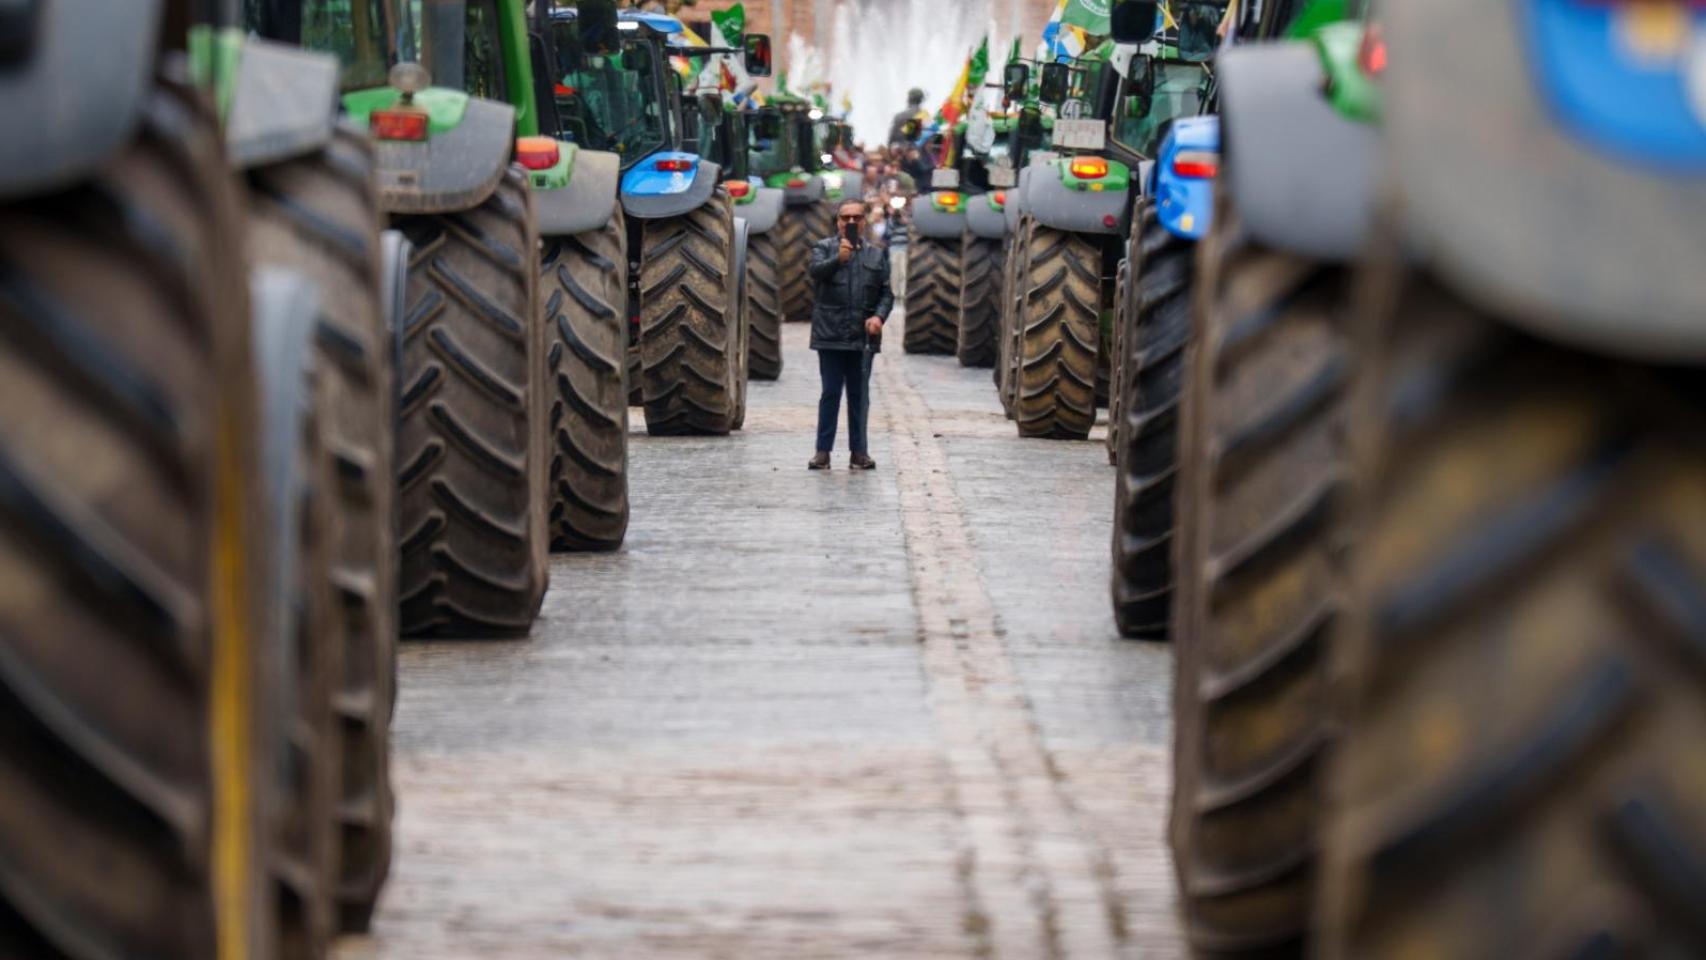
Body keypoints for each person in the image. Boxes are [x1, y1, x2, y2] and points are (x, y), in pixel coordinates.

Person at [806, 200, 893, 471]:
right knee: (830, 393)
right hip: (830, 335)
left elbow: (886, 294)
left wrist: (878, 317)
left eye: (857, 217)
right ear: (838, 221)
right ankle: (823, 452)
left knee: (859, 396)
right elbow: (815, 272)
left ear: (865, 221)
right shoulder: (824, 248)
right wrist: (838, 259)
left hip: (862, 339)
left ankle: (859, 452)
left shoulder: (876, 255)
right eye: (846, 218)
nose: (851, 223)